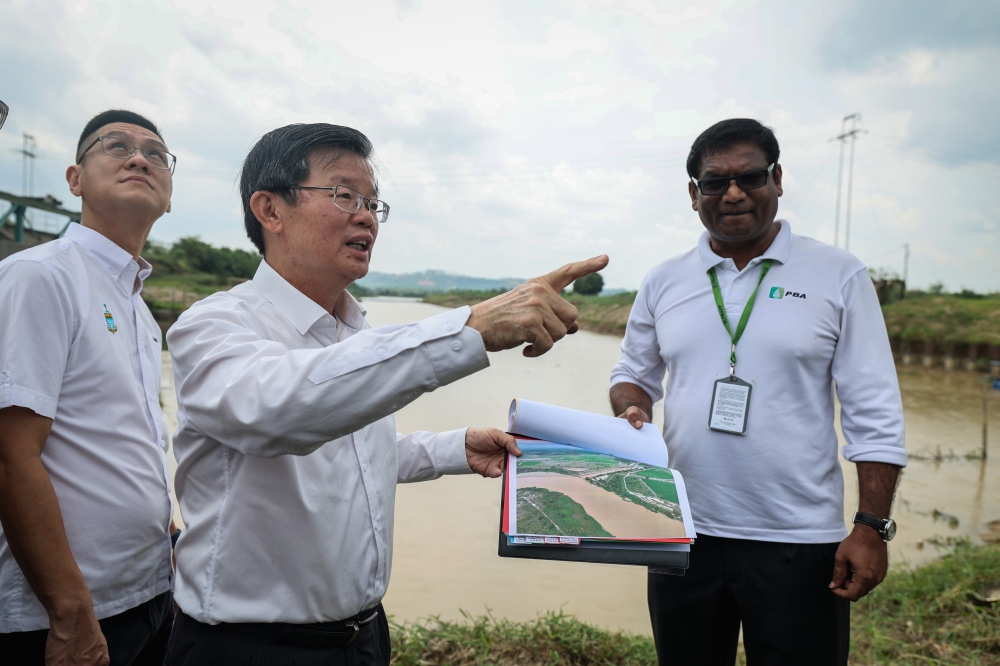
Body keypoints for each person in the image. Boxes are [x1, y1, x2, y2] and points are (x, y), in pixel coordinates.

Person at [164, 122, 607, 665]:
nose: (366, 217)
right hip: (250, 649)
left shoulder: (356, 334)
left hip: (365, 638)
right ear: (270, 210)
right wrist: (470, 327)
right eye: (344, 194)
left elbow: (349, 452)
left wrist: (453, 448)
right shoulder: (213, 326)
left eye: (372, 202)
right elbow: (278, 412)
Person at [609, 118, 906, 665]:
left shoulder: (837, 275)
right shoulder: (663, 280)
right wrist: (631, 408)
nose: (733, 193)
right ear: (694, 193)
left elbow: (874, 410)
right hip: (681, 532)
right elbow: (633, 373)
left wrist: (870, 528)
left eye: (750, 176)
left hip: (799, 540)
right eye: (715, 182)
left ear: (778, 179)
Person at [0, 110, 179, 665]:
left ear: (169, 197)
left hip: (148, 594)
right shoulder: (41, 276)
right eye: (116, 146)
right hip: (66, 616)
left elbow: (125, 438)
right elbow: (10, 453)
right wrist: (70, 611)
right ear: (75, 180)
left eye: (156, 154)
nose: (139, 158)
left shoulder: (137, 305)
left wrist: (166, 531)